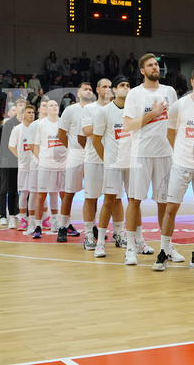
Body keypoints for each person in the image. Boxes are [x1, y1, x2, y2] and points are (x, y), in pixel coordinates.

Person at [153, 67, 194, 271]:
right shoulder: (179, 106)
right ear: (191, 82)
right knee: (171, 208)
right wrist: (180, 154)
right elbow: (170, 134)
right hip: (181, 164)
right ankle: (163, 251)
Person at [122, 53, 178, 265]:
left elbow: (175, 121)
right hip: (141, 153)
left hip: (165, 153)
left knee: (164, 202)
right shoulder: (135, 94)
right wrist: (153, 113)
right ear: (142, 71)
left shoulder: (170, 91)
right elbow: (128, 125)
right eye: (150, 65)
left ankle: (166, 247)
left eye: (157, 64)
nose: (155, 67)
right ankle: (130, 247)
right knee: (135, 200)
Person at [91, 76, 131, 257]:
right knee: (108, 201)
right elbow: (96, 139)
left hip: (132, 164)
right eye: (122, 85)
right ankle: (100, 242)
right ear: (114, 90)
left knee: (133, 202)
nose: (125, 88)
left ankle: (129, 238)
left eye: (128, 85)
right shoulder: (104, 112)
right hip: (113, 164)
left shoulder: (134, 111)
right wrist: (106, 159)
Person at [56, 82, 96, 242]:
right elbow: (61, 134)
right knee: (69, 193)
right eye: (85, 89)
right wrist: (72, 149)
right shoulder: (70, 110)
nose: (88, 91)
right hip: (75, 156)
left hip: (93, 156)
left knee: (92, 194)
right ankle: (62, 226)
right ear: (78, 93)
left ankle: (92, 226)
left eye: (91, 89)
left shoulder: (97, 109)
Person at [79, 78, 115, 250]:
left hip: (114, 159)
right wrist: (105, 124)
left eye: (110, 87)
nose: (107, 90)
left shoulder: (117, 108)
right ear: (97, 89)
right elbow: (86, 131)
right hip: (94, 158)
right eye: (104, 87)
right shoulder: (89, 109)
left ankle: (119, 233)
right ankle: (88, 234)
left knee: (116, 199)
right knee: (91, 197)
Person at [30, 100, 66, 238]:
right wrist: (42, 159)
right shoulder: (40, 124)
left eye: (56, 105)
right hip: (45, 165)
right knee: (41, 195)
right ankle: (38, 225)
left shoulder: (64, 122)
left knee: (64, 195)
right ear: (46, 109)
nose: (54, 106)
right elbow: (35, 145)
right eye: (52, 105)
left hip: (63, 165)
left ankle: (62, 223)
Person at [0, 98, 26, 228]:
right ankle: (3, 215)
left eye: (24, 104)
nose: (22, 106)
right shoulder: (8, 125)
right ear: (16, 108)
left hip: (25, 162)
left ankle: (21, 214)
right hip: (9, 161)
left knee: (23, 190)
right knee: (6, 189)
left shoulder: (30, 123)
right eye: (20, 105)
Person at [8, 105, 36, 230]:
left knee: (37, 194)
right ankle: (24, 220)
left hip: (37, 166)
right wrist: (20, 157)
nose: (31, 115)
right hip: (24, 166)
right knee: (24, 193)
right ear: (23, 115)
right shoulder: (18, 129)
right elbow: (11, 145)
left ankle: (37, 220)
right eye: (29, 112)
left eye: (33, 113)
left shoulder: (38, 128)